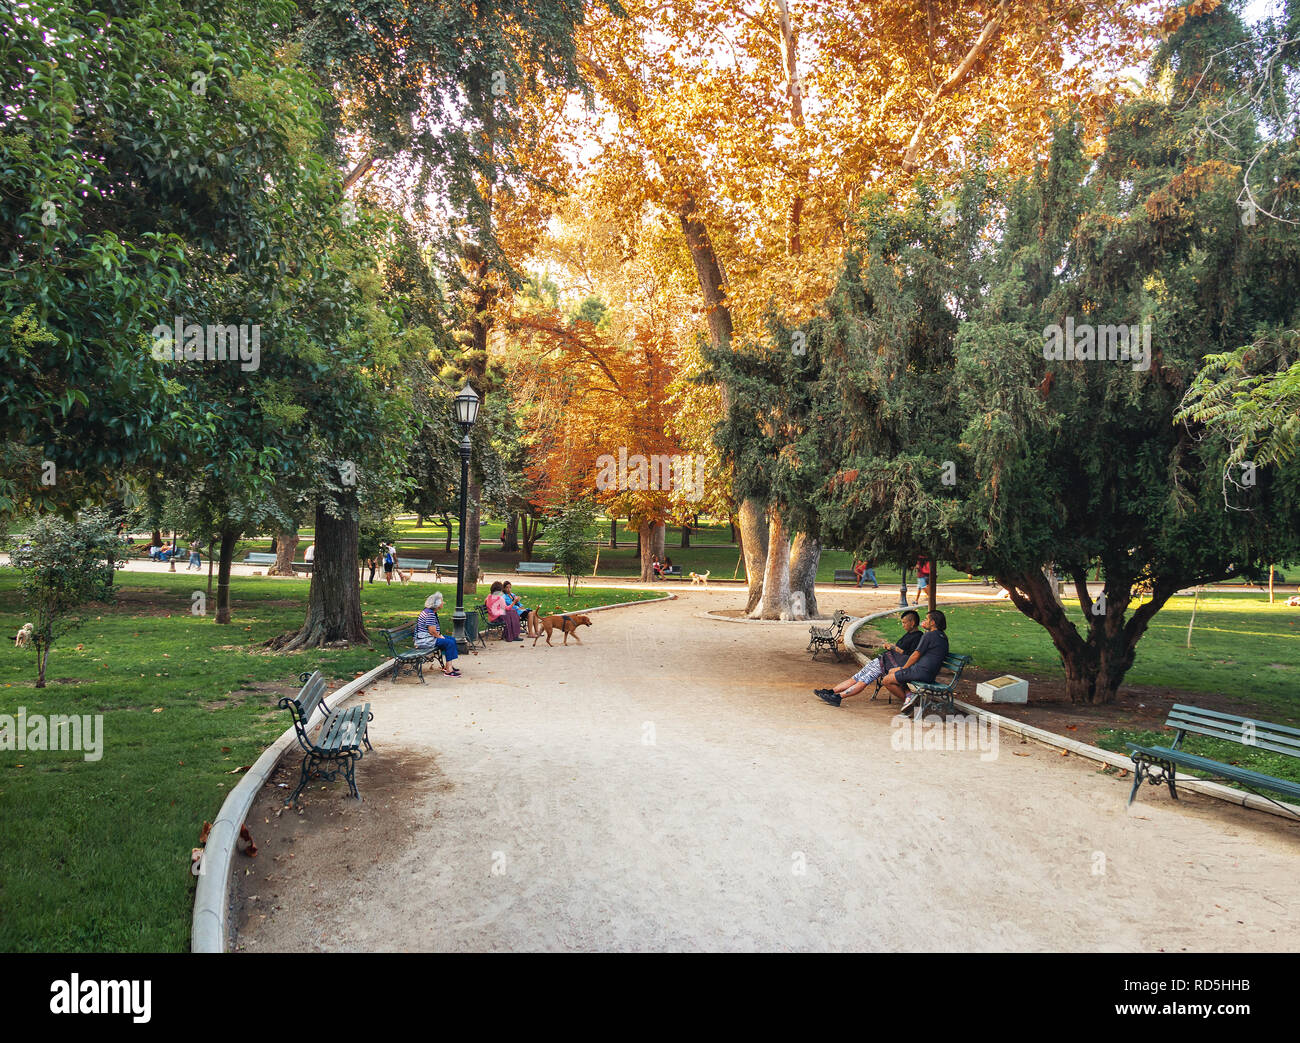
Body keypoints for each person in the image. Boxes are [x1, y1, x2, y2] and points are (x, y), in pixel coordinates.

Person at [815, 610, 922, 706]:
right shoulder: (909, 634)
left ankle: (839, 697)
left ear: (912, 623)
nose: (903, 625)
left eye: (904, 622)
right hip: (883, 660)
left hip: (887, 665)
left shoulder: (918, 637)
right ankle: (832, 691)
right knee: (856, 677)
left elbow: (911, 655)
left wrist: (894, 648)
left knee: (863, 680)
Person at [880, 610, 950, 715]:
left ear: (933, 622)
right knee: (892, 671)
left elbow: (915, 655)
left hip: (920, 671)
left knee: (886, 680)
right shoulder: (943, 637)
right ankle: (909, 696)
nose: (924, 621)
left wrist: (904, 668)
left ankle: (911, 702)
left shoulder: (929, 636)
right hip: (929, 673)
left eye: (927, 619)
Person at [414, 593, 460, 676]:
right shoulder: (430, 614)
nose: (443, 603)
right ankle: (449, 670)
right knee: (449, 643)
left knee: (451, 640)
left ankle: (448, 665)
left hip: (428, 638)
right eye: (442, 601)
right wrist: (440, 637)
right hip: (425, 640)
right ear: (437, 604)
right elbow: (432, 631)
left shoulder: (430, 611)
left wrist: (439, 636)